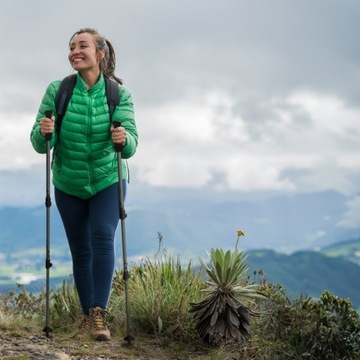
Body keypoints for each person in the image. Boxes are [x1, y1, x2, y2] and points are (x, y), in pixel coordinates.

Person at [30, 28, 138, 341]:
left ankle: (98, 316)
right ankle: (89, 314)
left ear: (100, 54)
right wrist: (44, 130)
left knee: (102, 237)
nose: (75, 51)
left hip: (108, 178)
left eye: (83, 46)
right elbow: (39, 144)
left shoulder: (118, 94)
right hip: (69, 182)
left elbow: (131, 145)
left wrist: (124, 138)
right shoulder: (58, 90)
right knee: (81, 250)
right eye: (71, 47)